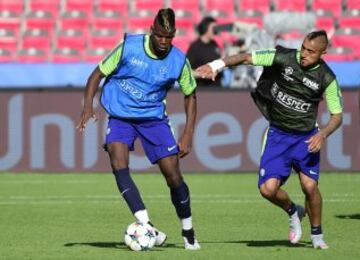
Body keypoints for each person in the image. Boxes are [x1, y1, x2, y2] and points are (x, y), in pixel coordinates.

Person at [195, 30, 343, 249]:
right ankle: (294, 211)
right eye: (303, 47)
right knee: (267, 190)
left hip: (306, 137)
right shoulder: (283, 57)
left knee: (310, 186)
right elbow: (246, 57)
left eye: (311, 51)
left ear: (323, 52)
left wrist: (322, 134)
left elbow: (337, 116)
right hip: (279, 135)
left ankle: (317, 236)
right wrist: (216, 66)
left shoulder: (327, 78)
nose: (304, 53)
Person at [77, 8, 200, 250]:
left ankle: (188, 231)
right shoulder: (128, 47)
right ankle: (147, 225)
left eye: (169, 37)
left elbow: (191, 94)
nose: (164, 41)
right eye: (160, 35)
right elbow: (96, 74)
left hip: (153, 119)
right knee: (117, 161)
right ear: (152, 31)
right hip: (121, 116)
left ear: (173, 35)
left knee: (173, 177)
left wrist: (187, 134)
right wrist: (87, 107)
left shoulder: (178, 60)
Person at [187, 16, 223, 87]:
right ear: (206, 28)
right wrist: (204, 75)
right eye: (213, 28)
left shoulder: (215, 44)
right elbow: (188, 72)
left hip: (217, 88)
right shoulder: (195, 47)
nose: (216, 31)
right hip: (202, 90)